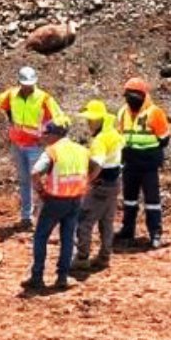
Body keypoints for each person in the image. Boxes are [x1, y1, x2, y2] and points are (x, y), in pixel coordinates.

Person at [21, 121, 99, 292]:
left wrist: (40, 191)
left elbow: (35, 173)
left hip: (55, 201)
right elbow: (97, 166)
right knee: (67, 239)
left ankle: (37, 276)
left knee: (41, 237)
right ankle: (62, 277)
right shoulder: (81, 149)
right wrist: (86, 183)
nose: (43, 137)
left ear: (55, 135)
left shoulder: (52, 151)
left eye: (46, 134)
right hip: (75, 199)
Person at [0, 66, 67, 229]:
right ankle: (26, 216)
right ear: (19, 82)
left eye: (30, 84)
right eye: (25, 84)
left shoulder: (44, 98)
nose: (28, 87)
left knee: (38, 180)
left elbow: (61, 119)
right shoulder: (12, 94)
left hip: (35, 145)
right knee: (24, 181)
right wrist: (8, 116)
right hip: (17, 144)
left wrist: (48, 136)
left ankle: (43, 217)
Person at [114, 77, 171, 249]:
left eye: (134, 95)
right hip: (130, 162)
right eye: (128, 95)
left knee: (152, 200)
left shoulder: (155, 112)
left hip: (148, 164)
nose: (130, 99)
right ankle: (128, 229)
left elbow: (164, 139)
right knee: (129, 199)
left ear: (143, 95)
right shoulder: (123, 112)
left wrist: (147, 149)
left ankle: (155, 233)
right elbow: (119, 134)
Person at [73, 100, 124, 271]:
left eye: (91, 120)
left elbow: (97, 165)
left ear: (100, 119)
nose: (89, 123)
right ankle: (104, 257)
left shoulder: (100, 140)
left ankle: (82, 257)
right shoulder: (113, 133)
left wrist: (86, 183)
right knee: (106, 222)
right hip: (114, 183)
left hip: (101, 186)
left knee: (84, 221)